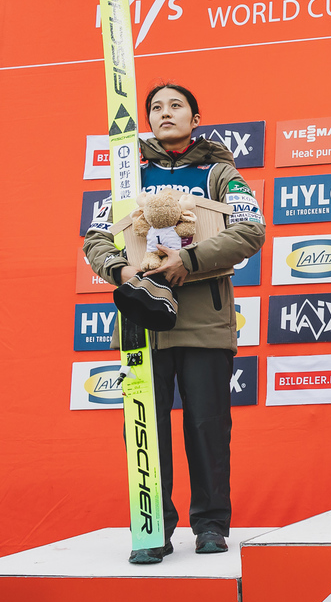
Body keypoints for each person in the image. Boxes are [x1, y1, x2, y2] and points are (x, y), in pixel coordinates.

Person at [84, 84, 265, 563]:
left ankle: (211, 526)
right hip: (141, 321)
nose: (165, 113)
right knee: (145, 428)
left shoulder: (220, 172)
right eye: (156, 108)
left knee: (208, 427)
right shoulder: (129, 176)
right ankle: (152, 529)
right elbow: (96, 239)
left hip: (205, 321)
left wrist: (190, 259)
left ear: (195, 118)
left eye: (176, 106)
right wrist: (122, 271)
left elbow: (251, 230)